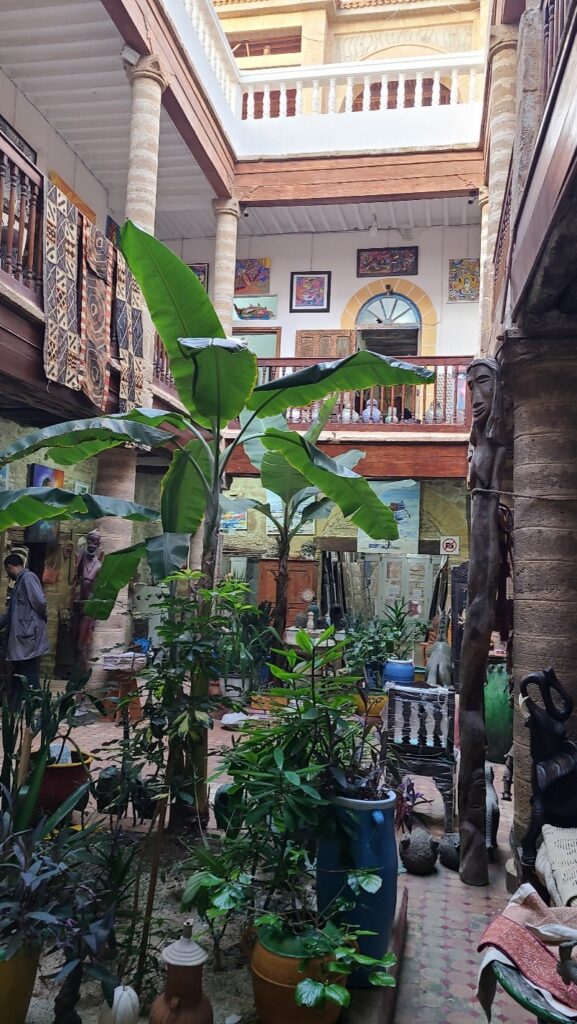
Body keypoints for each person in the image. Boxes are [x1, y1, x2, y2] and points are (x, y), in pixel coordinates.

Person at [0, 552, 49, 699]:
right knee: (18, 673)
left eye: (7, 571)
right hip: (21, 637)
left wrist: (38, 621)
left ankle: (37, 704)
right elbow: (10, 614)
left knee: (29, 673)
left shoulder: (28, 578)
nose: (8, 575)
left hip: (28, 636)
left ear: (10, 567)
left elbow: (40, 602)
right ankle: (15, 706)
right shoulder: (19, 583)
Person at [71, 530, 102, 669]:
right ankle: (76, 673)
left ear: (98, 544)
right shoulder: (81, 558)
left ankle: (82, 674)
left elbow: (99, 588)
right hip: (78, 605)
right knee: (74, 638)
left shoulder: (99, 565)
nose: (91, 545)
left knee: (82, 644)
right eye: (89, 541)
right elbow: (76, 581)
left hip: (88, 607)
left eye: (94, 542)